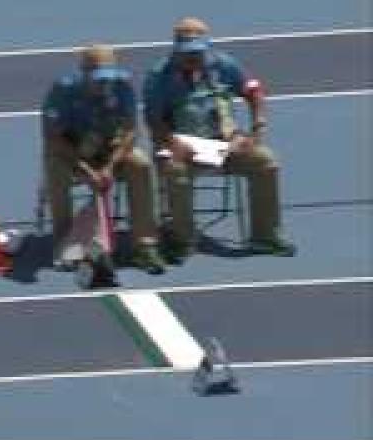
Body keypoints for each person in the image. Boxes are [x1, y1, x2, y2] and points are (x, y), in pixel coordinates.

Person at [143, 17, 296, 262]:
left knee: (265, 162)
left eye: (197, 52)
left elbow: (253, 91)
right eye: (186, 53)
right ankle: (182, 239)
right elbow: (153, 120)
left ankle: (264, 236)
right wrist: (173, 143)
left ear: (207, 46)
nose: (193, 58)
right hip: (180, 147)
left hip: (226, 145)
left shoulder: (224, 64)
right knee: (174, 170)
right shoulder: (159, 76)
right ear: (176, 49)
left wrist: (256, 128)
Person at [42, 44, 166, 275]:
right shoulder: (62, 90)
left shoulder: (122, 86)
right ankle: (66, 242)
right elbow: (53, 139)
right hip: (73, 154)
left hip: (108, 153)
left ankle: (145, 245)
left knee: (140, 164)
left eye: (107, 77)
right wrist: (87, 170)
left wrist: (109, 167)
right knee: (55, 168)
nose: (104, 84)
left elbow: (130, 132)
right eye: (98, 79)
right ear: (84, 73)